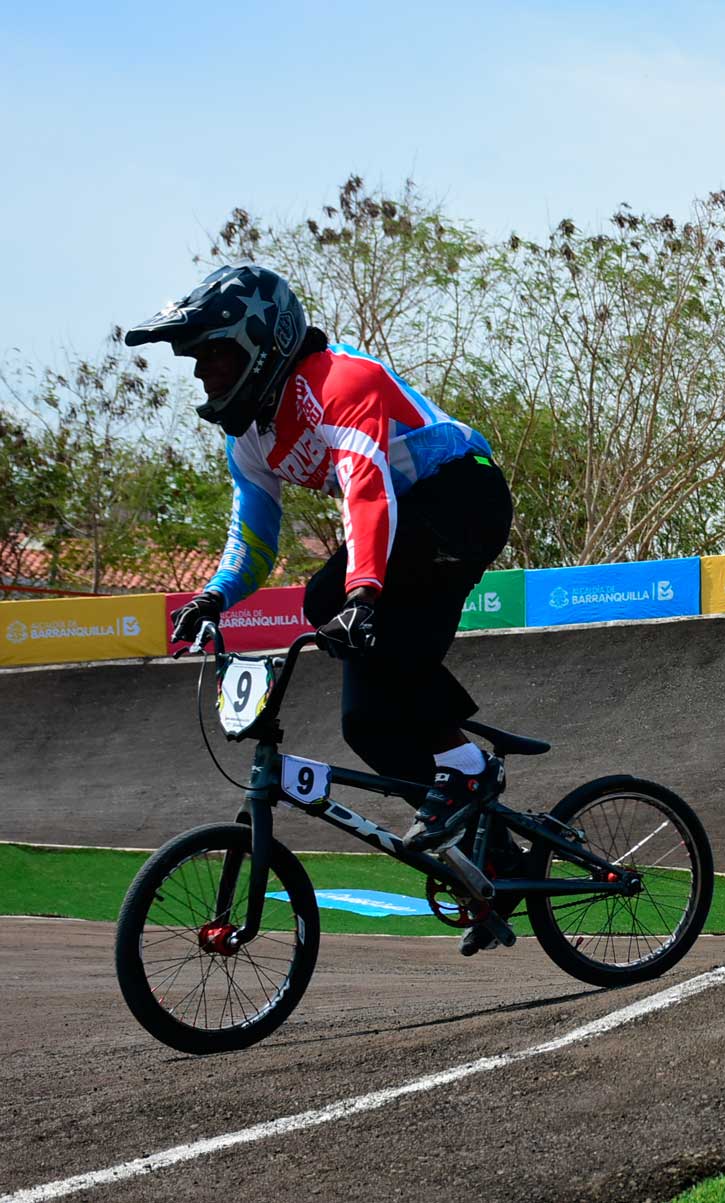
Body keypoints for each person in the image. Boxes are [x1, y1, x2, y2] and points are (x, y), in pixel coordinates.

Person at [127, 266, 515, 890]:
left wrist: (363, 590)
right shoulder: (251, 439)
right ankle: (492, 853)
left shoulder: (340, 379)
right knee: (366, 723)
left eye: (213, 355)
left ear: (260, 345)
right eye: (195, 360)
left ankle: (467, 767)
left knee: (325, 597)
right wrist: (213, 597)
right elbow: (253, 538)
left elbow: (368, 487)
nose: (202, 374)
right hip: (402, 526)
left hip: (462, 497)